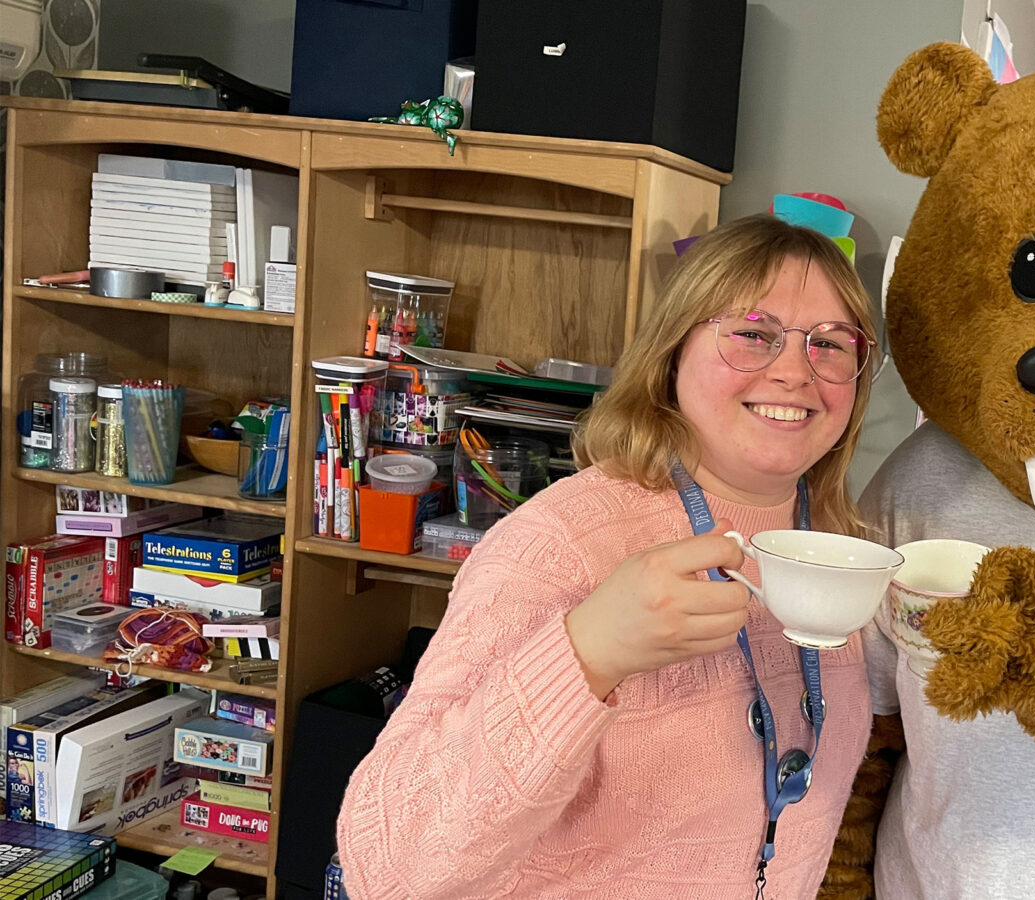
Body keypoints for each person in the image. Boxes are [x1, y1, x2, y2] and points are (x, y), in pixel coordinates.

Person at [337, 214, 881, 898]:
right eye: (752, 332)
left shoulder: (841, 545)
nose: (796, 371)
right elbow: (386, 868)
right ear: (672, 352)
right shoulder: (558, 542)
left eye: (829, 343)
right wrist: (589, 652)